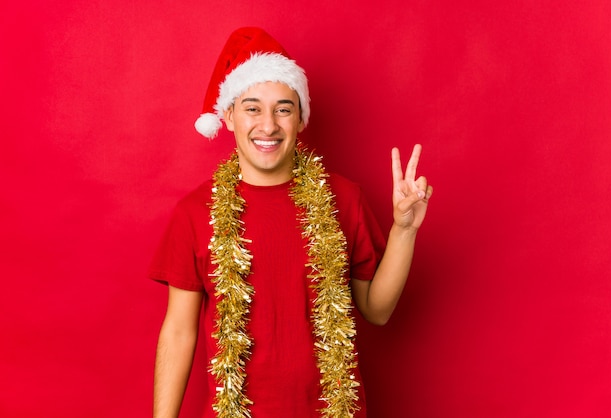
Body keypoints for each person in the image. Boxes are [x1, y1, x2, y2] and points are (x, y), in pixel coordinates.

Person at [150, 27, 433, 418]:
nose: (268, 125)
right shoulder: (195, 213)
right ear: (228, 116)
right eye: (252, 108)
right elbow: (179, 331)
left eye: (283, 109)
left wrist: (404, 230)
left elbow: (377, 310)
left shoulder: (343, 199)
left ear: (301, 119)